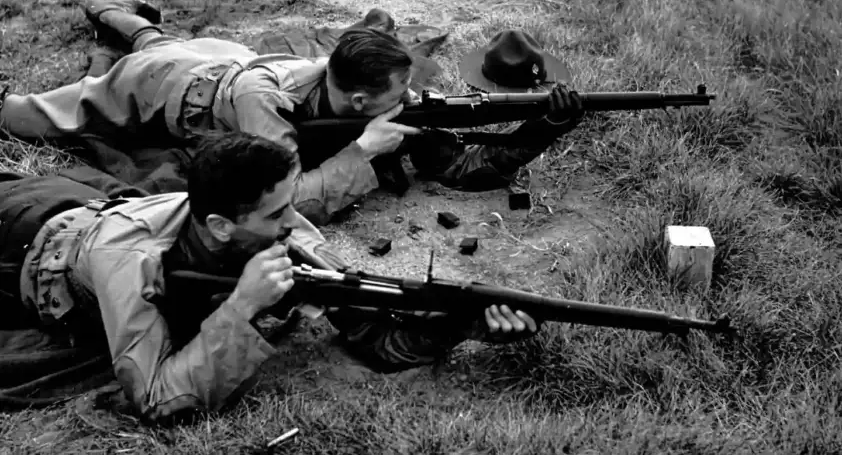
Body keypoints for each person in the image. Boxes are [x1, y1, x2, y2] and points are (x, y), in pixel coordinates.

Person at [0, 131, 541, 424]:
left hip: (84, 204)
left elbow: (369, 329)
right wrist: (240, 309)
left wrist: (460, 326)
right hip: (23, 242)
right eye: (276, 214)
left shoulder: (271, 229)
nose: (295, 224)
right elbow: (157, 399)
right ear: (220, 224)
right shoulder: (132, 262)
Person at [0, 0, 584, 225]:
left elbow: (462, 168)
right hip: (165, 88)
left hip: (226, 55)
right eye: (394, 97)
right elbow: (286, 199)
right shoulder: (266, 104)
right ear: (358, 101)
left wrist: (544, 125)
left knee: (158, 37)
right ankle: (107, 11)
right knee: (29, 116)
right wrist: (361, 153)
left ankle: (115, 10)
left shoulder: (354, 79)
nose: (406, 104)